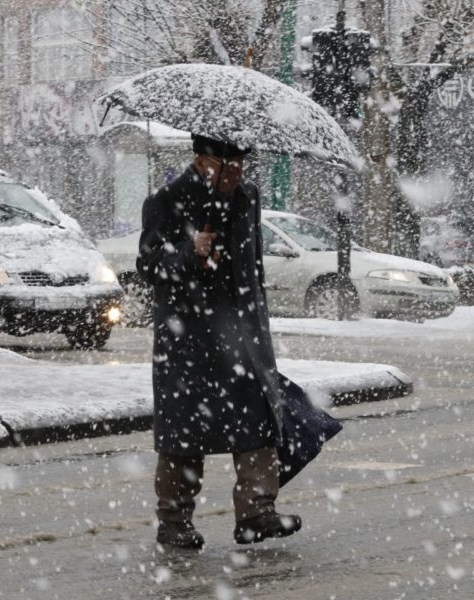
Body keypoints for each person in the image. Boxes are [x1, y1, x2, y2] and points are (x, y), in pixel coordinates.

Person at [137, 133, 302, 550]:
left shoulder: (247, 197)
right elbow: (148, 266)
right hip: (187, 337)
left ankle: (256, 514)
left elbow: (253, 265)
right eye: (226, 166)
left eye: (240, 165)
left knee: (257, 423)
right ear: (200, 160)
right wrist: (187, 252)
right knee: (184, 434)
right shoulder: (166, 199)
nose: (235, 174)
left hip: (241, 332)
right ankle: (173, 521)